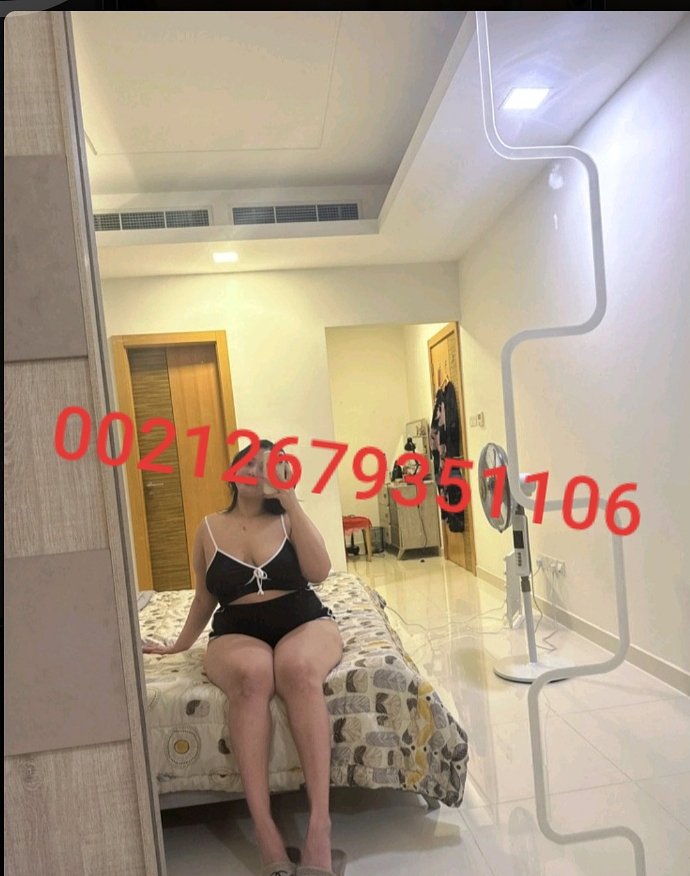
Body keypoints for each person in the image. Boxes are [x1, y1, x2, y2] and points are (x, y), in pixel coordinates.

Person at [143, 439, 345, 876]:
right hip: (236, 629)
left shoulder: (288, 517)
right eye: (248, 461)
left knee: (297, 670)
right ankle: (265, 828)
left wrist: (291, 502)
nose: (257, 468)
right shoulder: (209, 527)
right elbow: (204, 598)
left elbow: (320, 572)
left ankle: (320, 826)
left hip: (303, 619)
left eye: (268, 463)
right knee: (253, 678)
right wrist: (178, 645)